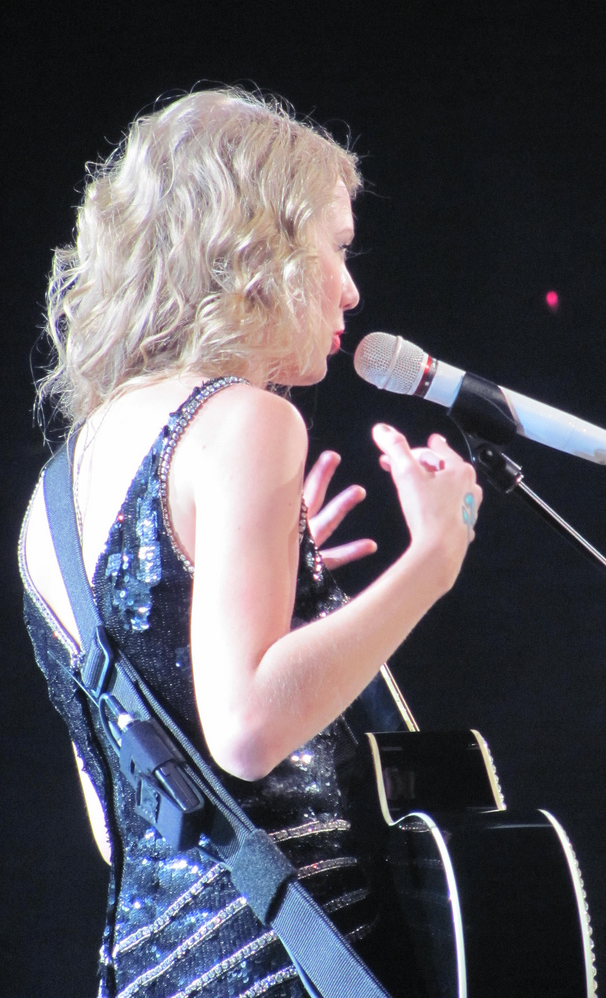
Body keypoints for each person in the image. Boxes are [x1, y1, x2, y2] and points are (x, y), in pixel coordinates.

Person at [19, 87, 482, 998]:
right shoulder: (249, 420)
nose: (351, 288)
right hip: (282, 969)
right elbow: (247, 729)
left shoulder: (54, 492)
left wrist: (282, 586)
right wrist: (431, 560)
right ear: (257, 250)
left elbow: (120, 825)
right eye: (337, 248)